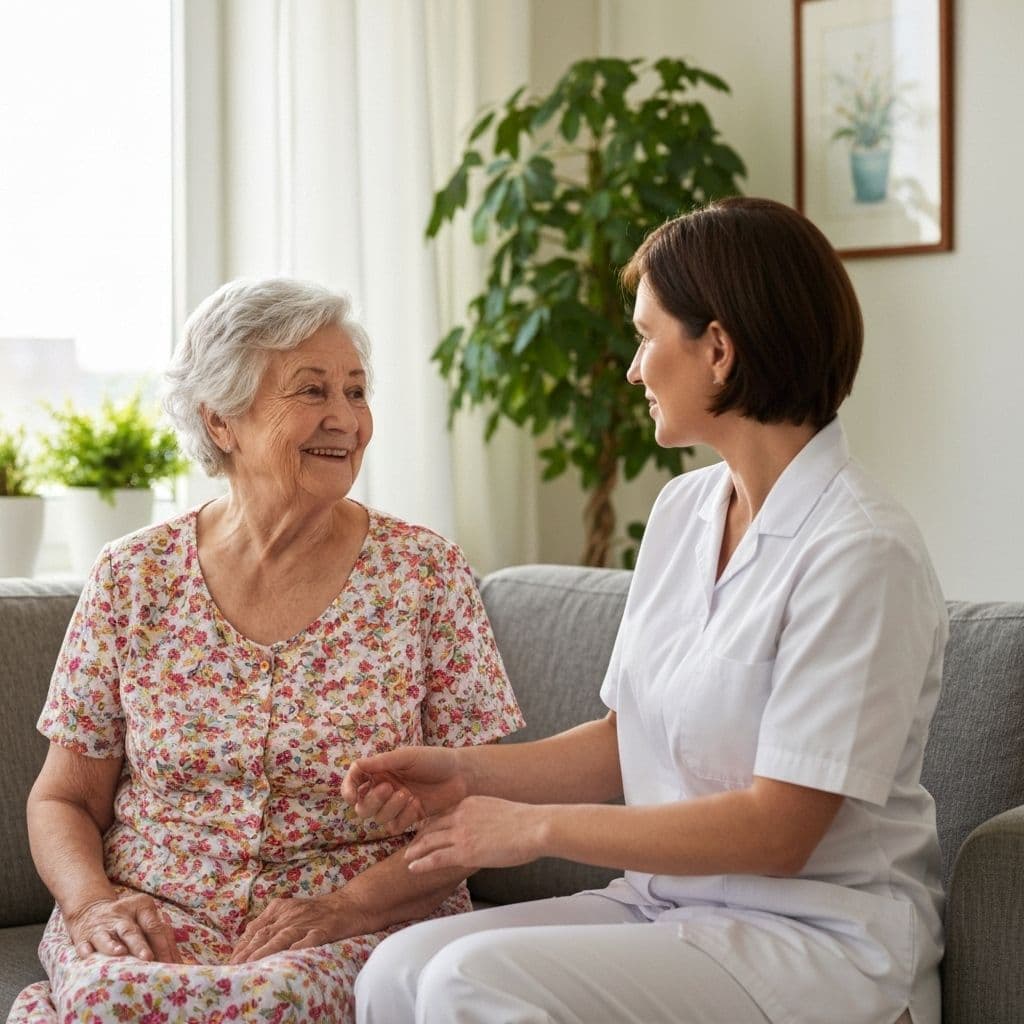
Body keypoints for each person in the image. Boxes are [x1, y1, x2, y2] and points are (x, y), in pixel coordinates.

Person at [342, 197, 947, 1024]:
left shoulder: (861, 551)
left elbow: (779, 832)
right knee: (395, 970)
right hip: (669, 910)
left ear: (719, 350)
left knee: (467, 981)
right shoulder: (684, 511)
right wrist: (464, 773)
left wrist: (536, 828)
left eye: (644, 334)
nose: (631, 369)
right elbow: (632, 739)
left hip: (816, 937)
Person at [9, 278, 523, 1023]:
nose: (345, 419)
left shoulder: (425, 574)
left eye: (356, 390)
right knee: (114, 994)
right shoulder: (133, 577)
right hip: (152, 909)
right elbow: (64, 796)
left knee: (272, 1001)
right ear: (222, 422)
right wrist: (91, 904)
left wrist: (347, 906)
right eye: (311, 392)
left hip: (359, 914)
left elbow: (484, 801)